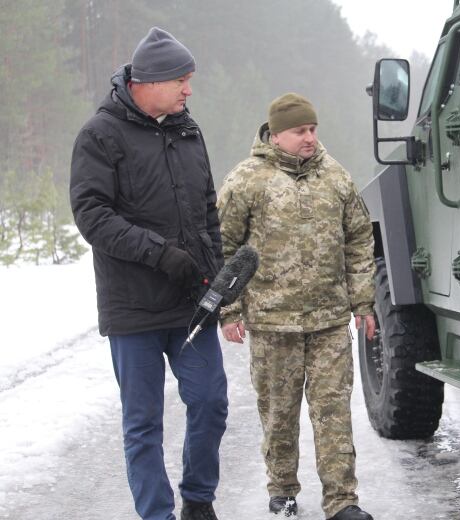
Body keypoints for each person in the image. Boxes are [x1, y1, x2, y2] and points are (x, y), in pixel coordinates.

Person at [70, 27, 227, 520]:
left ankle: (197, 501)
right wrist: (161, 254)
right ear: (150, 80)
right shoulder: (100, 134)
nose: (188, 90)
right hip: (133, 306)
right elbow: (91, 215)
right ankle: (156, 514)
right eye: (182, 80)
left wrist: (218, 277)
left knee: (210, 403)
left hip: (191, 305)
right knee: (143, 424)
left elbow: (207, 209)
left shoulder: (187, 129)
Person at [218, 93, 376, 520]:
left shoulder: (336, 178)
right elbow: (224, 247)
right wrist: (228, 311)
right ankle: (283, 488)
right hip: (272, 323)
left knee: (333, 413)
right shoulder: (247, 180)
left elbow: (360, 239)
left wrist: (363, 302)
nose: (310, 138)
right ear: (276, 133)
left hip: (328, 321)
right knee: (279, 413)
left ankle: (342, 501)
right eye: (300, 131)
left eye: (313, 129)